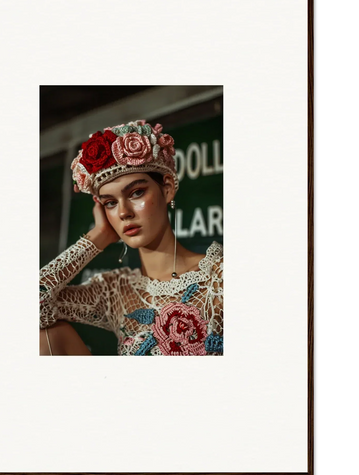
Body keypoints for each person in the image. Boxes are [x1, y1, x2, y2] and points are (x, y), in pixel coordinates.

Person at [39, 120, 223, 356]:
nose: (124, 212)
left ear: (167, 189)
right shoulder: (115, 290)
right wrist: (99, 236)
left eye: (136, 193)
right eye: (111, 203)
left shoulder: (220, 277)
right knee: (44, 335)